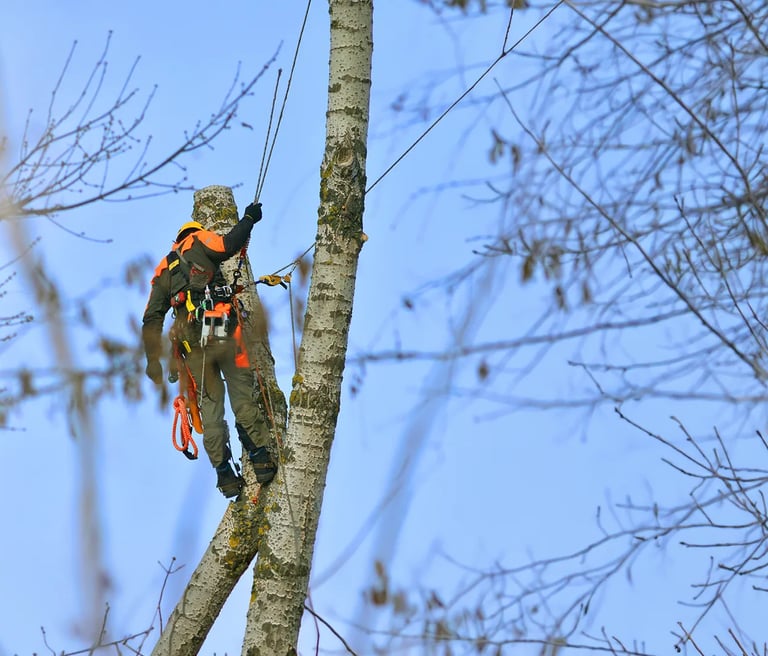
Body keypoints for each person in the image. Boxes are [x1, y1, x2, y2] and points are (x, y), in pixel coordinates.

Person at [142, 201, 277, 498]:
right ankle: (261, 456)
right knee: (242, 390)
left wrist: (152, 360)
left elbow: (152, 318)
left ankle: (224, 473)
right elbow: (227, 245)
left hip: (191, 345)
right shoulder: (200, 239)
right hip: (219, 327)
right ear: (194, 232)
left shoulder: (163, 268)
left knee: (210, 407)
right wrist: (249, 219)